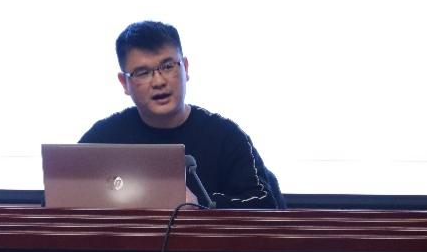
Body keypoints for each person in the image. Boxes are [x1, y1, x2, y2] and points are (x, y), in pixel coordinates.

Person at [79, 21, 284, 209]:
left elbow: (264, 205)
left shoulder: (226, 136)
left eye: (168, 67)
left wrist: (198, 205)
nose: (158, 81)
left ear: (185, 68)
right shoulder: (102, 139)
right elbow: (67, 196)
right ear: (125, 83)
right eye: (142, 72)